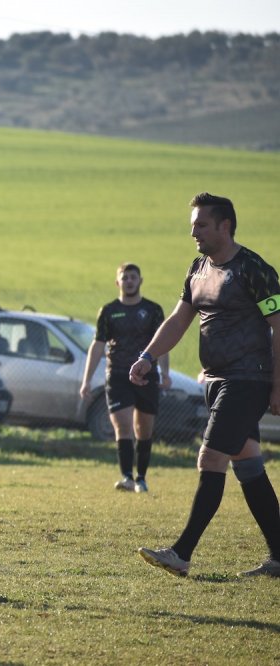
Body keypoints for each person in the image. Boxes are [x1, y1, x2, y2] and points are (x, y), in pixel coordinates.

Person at [133, 193, 280, 578]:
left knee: (210, 458)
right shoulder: (198, 269)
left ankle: (181, 553)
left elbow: (279, 327)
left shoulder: (254, 270)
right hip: (215, 379)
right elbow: (179, 321)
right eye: (192, 224)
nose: (193, 231)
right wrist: (147, 357)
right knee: (247, 464)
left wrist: (279, 385)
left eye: (200, 224)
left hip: (248, 379)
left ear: (224, 226)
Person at [79, 263, 170, 493]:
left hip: (146, 375)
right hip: (118, 375)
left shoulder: (153, 310)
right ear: (117, 282)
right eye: (124, 277)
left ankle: (141, 478)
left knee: (144, 429)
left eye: (133, 277)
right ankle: (127, 477)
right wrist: (86, 379)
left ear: (140, 281)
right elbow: (97, 345)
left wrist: (165, 374)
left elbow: (164, 344)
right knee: (123, 426)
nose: (129, 281)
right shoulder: (108, 311)